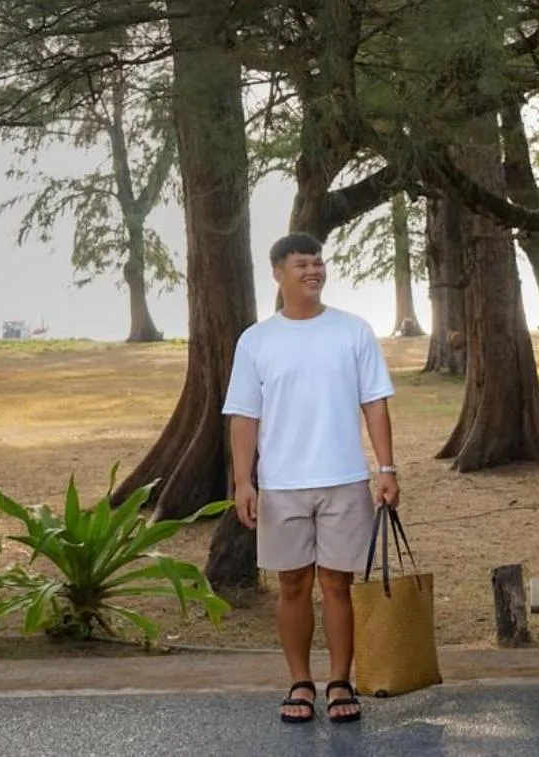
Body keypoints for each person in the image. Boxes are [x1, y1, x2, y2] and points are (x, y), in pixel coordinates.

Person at [223, 232, 400, 724]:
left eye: (318, 263)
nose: (313, 271)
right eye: (301, 264)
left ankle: (340, 681)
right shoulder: (257, 340)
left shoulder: (353, 330)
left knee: (338, 585)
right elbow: (243, 416)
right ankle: (300, 682)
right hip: (281, 484)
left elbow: (374, 402)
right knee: (293, 585)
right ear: (279, 273)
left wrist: (386, 468)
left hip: (344, 478)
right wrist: (244, 480)